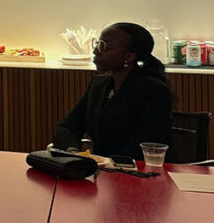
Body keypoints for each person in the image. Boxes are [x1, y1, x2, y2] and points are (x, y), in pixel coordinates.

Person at [53, 22, 173, 160]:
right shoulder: (98, 85)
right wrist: (73, 152)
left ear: (129, 57)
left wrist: (102, 164)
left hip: (140, 173)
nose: (95, 51)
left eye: (103, 46)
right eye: (97, 44)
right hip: (103, 171)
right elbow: (66, 128)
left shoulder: (154, 90)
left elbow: (140, 147)